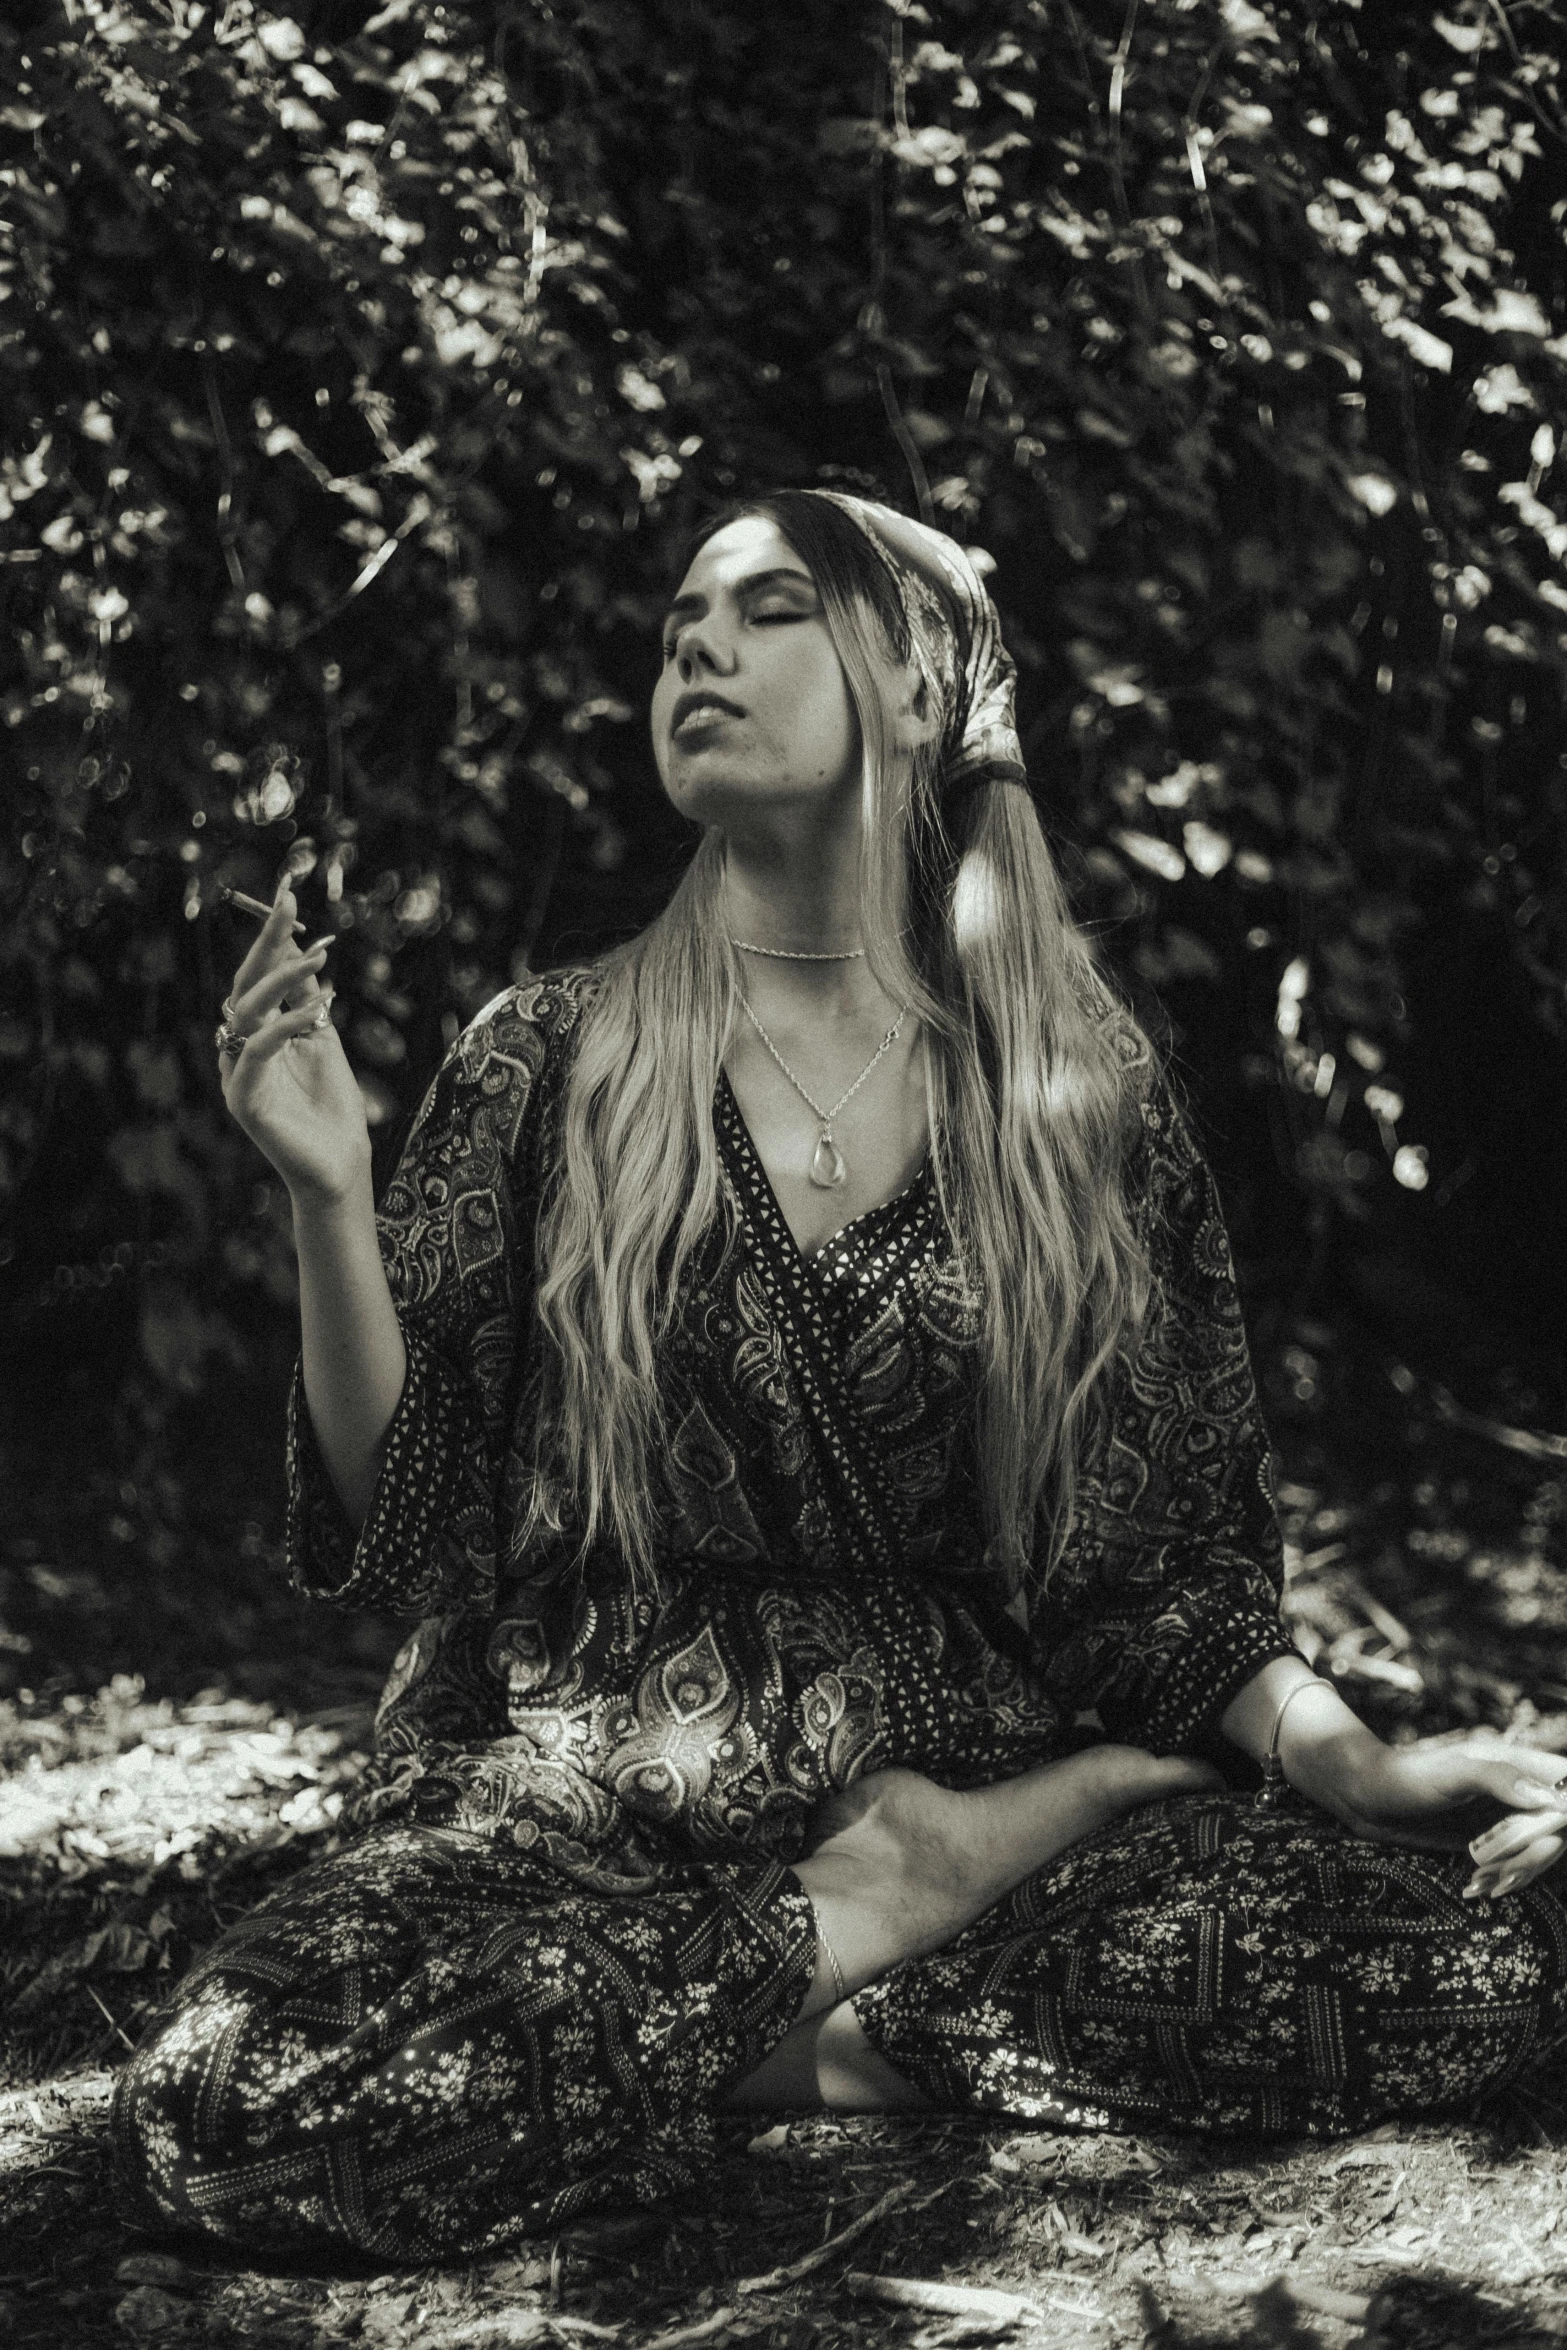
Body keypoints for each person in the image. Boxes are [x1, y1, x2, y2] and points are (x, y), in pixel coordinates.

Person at [113, 490, 1567, 2263]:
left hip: (984, 1766)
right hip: (590, 1794)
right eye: (676, 627)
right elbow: (400, 1502)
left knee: (1490, 1951)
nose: (695, 648)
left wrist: (1355, 1765)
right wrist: (327, 1196)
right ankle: (876, 1921)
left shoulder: (1068, 1096)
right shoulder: (548, 1054)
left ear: (909, 685)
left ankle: (742, 2002)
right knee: (232, 2102)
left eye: (771, 607)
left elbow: (1166, 1571)